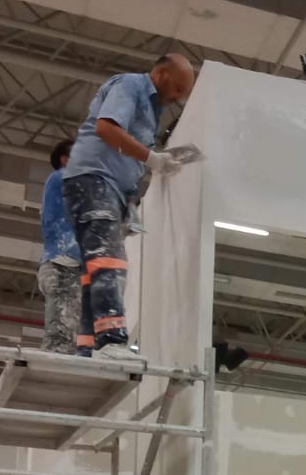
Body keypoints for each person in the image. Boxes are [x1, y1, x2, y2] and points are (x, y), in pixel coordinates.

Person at [63, 54, 196, 359]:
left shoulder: (152, 110)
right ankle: (111, 340)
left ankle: (89, 347)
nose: (178, 98)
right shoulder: (131, 86)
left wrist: (132, 199)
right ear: (161, 74)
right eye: (177, 89)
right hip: (95, 180)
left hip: (106, 187)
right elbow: (106, 128)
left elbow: (128, 154)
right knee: (108, 261)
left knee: (95, 268)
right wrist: (151, 159)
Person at [38, 139, 82, 354]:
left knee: (68, 333)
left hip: (67, 264)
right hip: (62, 265)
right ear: (65, 160)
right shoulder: (62, 177)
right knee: (60, 337)